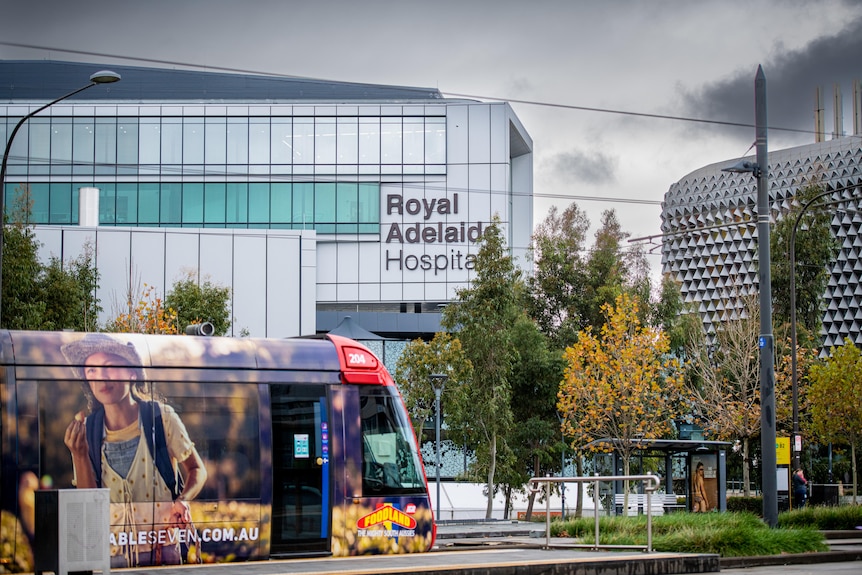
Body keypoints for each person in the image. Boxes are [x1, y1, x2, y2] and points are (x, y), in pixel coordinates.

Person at [62, 334, 207, 568]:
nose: (102, 377)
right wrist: (78, 454)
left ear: (132, 372)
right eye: (91, 371)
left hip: (163, 550)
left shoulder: (162, 418)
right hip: (111, 555)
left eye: (110, 367)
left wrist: (183, 500)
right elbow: (89, 503)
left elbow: (197, 469)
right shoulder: (87, 430)